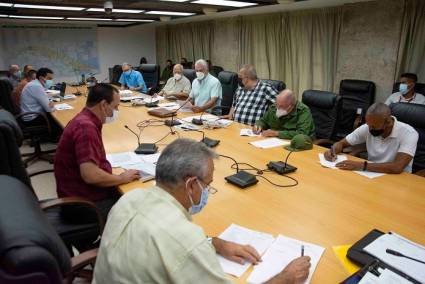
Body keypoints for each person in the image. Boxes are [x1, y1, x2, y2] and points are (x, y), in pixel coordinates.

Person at [93, 138, 311, 284]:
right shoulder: (186, 239)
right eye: (207, 185)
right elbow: (179, 243)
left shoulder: (130, 198)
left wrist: (217, 243)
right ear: (191, 185)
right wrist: (286, 278)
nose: (207, 191)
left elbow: (166, 241)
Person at [54, 83, 140, 224]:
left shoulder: (84, 119)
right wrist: (121, 178)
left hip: (80, 195)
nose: (116, 111)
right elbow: (91, 176)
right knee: (140, 209)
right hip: (84, 205)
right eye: (115, 106)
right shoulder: (86, 128)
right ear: (104, 104)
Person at [324, 103, 418, 174]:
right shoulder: (368, 127)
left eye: (374, 126)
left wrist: (361, 165)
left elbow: (397, 167)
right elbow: (342, 143)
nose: (370, 129)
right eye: (368, 125)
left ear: (388, 122)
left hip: (398, 178)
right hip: (371, 172)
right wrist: (332, 151)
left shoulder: (409, 133)